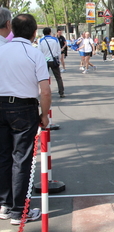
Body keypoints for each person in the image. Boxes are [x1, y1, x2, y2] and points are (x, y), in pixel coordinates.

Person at [0, 13, 51, 225]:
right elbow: (45, 90)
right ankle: (19, 210)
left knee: (3, 156)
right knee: (21, 158)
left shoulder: (1, 50)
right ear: (34, 32)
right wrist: (45, 116)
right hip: (23, 108)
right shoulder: (34, 53)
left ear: (12, 28)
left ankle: (5, 204)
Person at [38, 27, 65, 98]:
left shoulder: (41, 40)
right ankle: (61, 92)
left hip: (45, 61)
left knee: (44, 78)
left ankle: (45, 92)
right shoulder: (55, 40)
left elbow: (39, 52)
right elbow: (58, 50)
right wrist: (58, 59)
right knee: (58, 77)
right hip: (54, 60)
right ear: (50, 32)